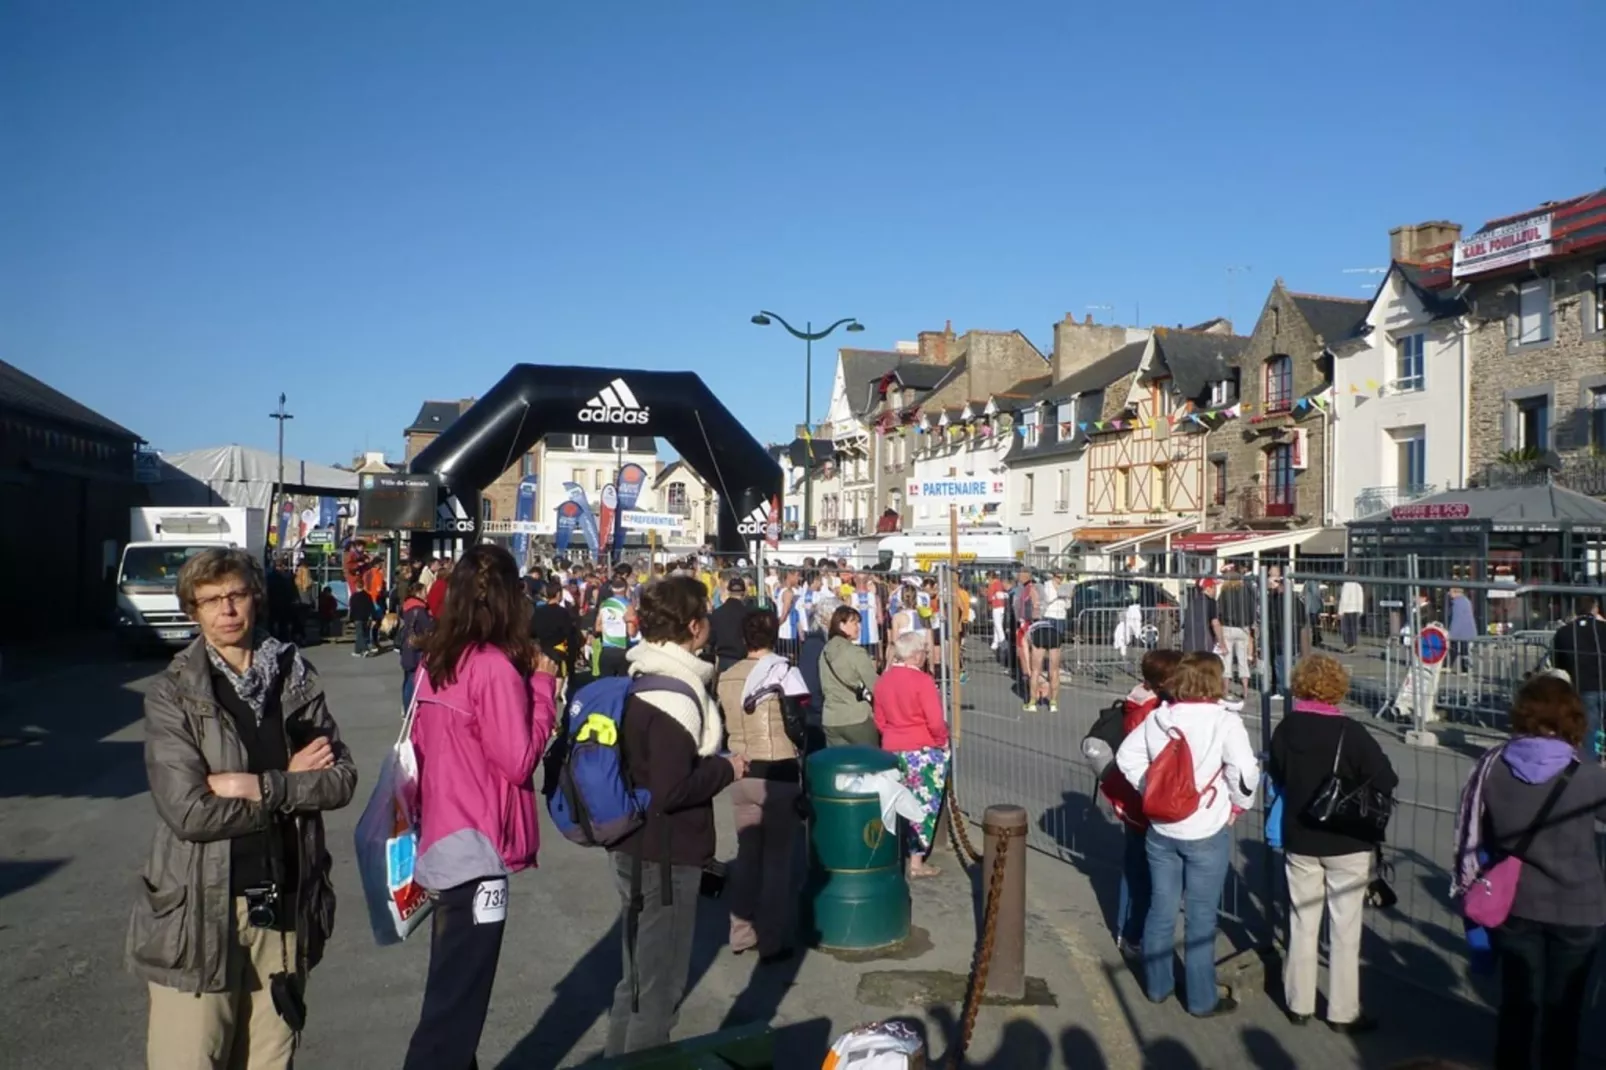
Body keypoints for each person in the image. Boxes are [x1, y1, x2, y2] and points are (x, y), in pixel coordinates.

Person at [129, 547, 356, 1070]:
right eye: (210, 600)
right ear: (194, 611)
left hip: (284, 908)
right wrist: (290, 785)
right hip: (200, 913)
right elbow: (190, 813)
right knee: (191, 1059)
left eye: (235, 595)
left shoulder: (293, 678)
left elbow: (340, 779)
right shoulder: (172, 695)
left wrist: (254, 786)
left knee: (271, 1061)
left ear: (255, 597)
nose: (226, 610)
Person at [403, 544, 558, 1069]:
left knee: (449, 995)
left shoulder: (437, 661)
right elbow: (518, 761)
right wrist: (541, 687)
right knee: (453, 1018)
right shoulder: (492, 668)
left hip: (440, 837)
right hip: (478, 846)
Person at [606, 576, 746, 1056]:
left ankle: (617, 1060)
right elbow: (671, 789)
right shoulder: (675, 695)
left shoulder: (643, 674)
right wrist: (725, 769)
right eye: (705, 615)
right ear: (693, 626)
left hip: (633, 843)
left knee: (636, 983)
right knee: (658, 991)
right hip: (664, 855)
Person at [1454, 675, 1606, 1069]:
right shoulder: (1589, 774)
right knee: (1564, 1010)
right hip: (1579, 907)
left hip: (1516, 903)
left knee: (1518, 1004)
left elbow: (1480, 835)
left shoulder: (1492, 768)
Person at [1116, 652, 1259, 1018]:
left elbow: (1126, 757)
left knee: (1162, 909)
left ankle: (1157, 985)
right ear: (1216, 681)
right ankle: (1200, 998)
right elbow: (1244, 771)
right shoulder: (1225, 722)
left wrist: (1150, 786)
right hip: (1205, 827)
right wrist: (1237, 806)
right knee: (1200, 916)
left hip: (1162, 828)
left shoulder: (1160, 718)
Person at [1269, 654, 1397, 1035]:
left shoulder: (1286, 728)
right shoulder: (1351, 732)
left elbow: (1277, 773)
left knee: (1302, 920)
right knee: (1344, 929)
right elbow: (1386, 779)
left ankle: (1298, 1002)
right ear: (1337, 688)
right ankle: (1342, 1010)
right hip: (1347, 840)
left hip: (1301, 838)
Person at [715, 608, 807, 963]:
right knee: (777, 863)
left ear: (743, 639)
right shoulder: (784, 671)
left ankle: (740, 933)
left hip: (741, 769)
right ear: (775, 635)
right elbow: (799, 720)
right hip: (778, 770)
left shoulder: (727, 676)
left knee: (747, 856)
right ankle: (771, 940)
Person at [1099, 649, 1182, 957]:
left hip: (1140, 801)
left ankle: (1131, 930)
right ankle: (1132, 933)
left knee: (1139, 869)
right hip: (1145, 802)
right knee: (1141, 872)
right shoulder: (1149, 712)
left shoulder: (1145, 703)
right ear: (1167, 680)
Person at [873, 631, 950, 879]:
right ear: (917, 655)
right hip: (922, 749)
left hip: (892, 747)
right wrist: (941, 742)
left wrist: (892, 736)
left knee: (894, 803)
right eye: (925, 653)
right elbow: (935, 721)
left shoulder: (883, 681)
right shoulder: (923, 682)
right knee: (921, 806)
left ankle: (892, 854)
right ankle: (916, 862)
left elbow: (880, 720)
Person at [1552, 596, 1606, 761]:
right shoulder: (1603, 628)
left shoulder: (1564, 632)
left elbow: (1559, 662)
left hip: (1583, 685)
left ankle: (1591, 765)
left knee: (1589, 729)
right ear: (1595, 608)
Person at [820, 603, 882, 748]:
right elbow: (876, 687)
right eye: (854, 622)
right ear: (841, 625)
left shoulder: (824, 652)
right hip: (856, 718)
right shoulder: (856, 653)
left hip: (831, 718)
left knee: (839, 766)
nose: (858, 627)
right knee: (868, 762)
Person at [1264, 570, 1307, 694]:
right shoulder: (1298, 601)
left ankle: (1283, 691)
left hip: (1279, 639)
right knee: (1291, 667)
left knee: (1281, 667)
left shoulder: (1276, 601)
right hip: (1294, 640)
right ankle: (1292, 690)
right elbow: (1302, 621)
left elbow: (1271, 621)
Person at [797, 597, 837, 727]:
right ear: (826, 619)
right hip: (817, 717)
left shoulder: (825, 643)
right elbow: (810, 683)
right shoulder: (815, 645)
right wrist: (820, 710)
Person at [1216, 576, 1257, 701]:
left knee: (1226, 660)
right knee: (1243, 660)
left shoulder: (1224, 592)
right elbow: (1252, 609)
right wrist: (1249, 624)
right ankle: (1245, 690)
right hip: (1243, 627)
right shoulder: (1246, 592)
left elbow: (1219, 610)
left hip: (1228, 627)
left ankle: (1226, 690)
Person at [398, 582, 433, 712]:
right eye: (424, 591)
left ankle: (405, 706)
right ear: (418, 592)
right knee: (414, 679)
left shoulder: (407, 606)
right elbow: (428, 628)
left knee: (407, 678)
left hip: (406, 646)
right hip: (416, 647)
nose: (426, 594)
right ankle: (410, 708)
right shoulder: (419, 609)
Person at [708, 576, 753, 672]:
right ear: (744, 593)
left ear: (728, 592)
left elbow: (711, 639)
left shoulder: (717, 613)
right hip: (743, 660)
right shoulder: (748, 614)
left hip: (723, 660)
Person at [594, 578, 636, 678]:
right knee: (622, 684)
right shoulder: (628, 606)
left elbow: (597, 627)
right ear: (625, 589)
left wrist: (610, 628)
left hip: (606, 650)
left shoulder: (604, 604)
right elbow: (631, 632)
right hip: (622, 649)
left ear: (612, 589)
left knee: (606, 683)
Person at [1181, 579, 1222, 656]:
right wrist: (1222, 645)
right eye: (1214, 587)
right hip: (1204, 645)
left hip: (1188, 645)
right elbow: (1215, 624)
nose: (1215, 590)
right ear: (1208, 588)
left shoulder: (1192, 602)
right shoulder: (1211, 602)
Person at [1447, 587, 1476, 673]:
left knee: (1455, 649)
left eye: (1451, 591)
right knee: (1463, 650)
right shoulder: (1465, 601)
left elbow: (1457, 619)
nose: (1449, 594)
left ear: (1457, 592)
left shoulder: (1458, 603)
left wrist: (1451, 634)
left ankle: (1449, 666)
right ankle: (1465, 669)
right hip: (1466, 631)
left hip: (1461, 632)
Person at [349, 580, 375, 658]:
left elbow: (352, 609)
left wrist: (351, 619)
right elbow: (371, 608)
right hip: (366, 618)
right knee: (360, 634)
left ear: (356, 587)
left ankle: (365, 649)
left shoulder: (354, 596)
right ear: (363, 586)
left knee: (359, 635)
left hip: (357, 618)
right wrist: (373, 618)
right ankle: (357, 651)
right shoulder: (368, 596)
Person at [1339, 580, 1365, 652]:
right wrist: (1361, 610)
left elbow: (1344, 598)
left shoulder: (1346, 584)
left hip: (1347, 609)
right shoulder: (1359, 585)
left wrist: (1340, 611)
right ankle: (1354, 644)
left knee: (1346, 628)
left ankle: (1348, 644)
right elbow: (1361, 598)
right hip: (1356, 609)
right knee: (1354, 628)